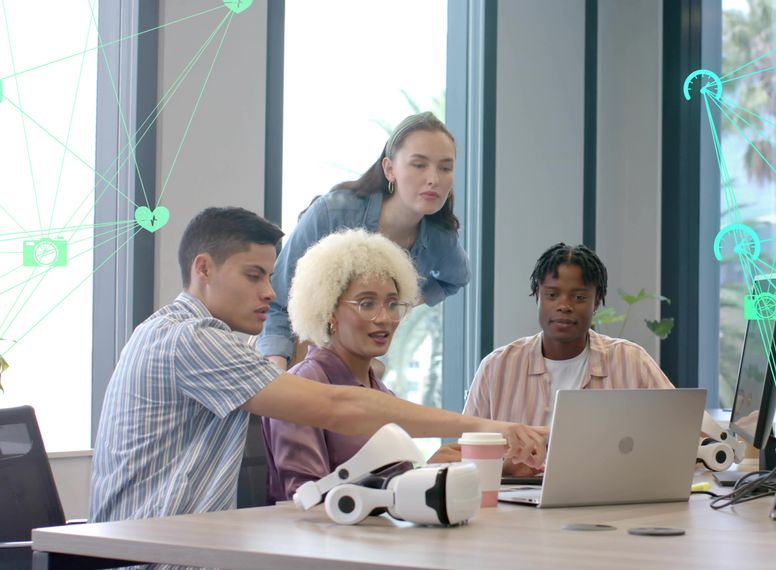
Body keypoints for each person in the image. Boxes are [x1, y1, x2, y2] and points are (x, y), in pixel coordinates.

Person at [89, 207, 545, 523]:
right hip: (156, 556)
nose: (269, 293)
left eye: (392, 304)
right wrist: (486, 427)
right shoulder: (189, 339)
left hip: (185, 545)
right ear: (203, 269)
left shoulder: (191, 337)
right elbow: (337, 408)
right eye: (253, 276)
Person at [257, 112, 468, 371]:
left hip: (358, 362)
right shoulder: (331, 213)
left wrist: (403, 301)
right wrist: (276, 370)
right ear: (389, 169)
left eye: (445, 168)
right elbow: (276, 301)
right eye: (419, 165)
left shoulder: (440, 237)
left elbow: (456, 279)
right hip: (294, 354)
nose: (434, 179)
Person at [462, 243, 673, 474]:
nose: (564, 306)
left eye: (579, 297)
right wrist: (505, 468)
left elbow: (682, 433)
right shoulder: (497, 366)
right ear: (537, 296)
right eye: (552, 295)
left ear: (597, 301)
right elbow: (464, 455)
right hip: (516, 494)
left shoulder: (631, 361)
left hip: (607, 491)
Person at [264, 228, 437, 501]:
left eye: (393, 304)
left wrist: (434, 469)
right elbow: (305, 497)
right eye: (367, 304)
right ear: (329, 311)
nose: (384, 318)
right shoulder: (302, 388)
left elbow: (394, 487)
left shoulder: (382, 392)